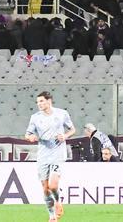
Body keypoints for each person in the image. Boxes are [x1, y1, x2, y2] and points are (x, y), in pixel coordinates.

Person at [24, 91, 75, 222]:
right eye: (37, 102)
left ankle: (58, 201)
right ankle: (52, 216)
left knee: (53, 185)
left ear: (49, 101)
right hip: (43, 155)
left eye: (41, 101)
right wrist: (31, 137)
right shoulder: (35, 117)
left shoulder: (62, 114)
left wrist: (65, 136)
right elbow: (27, 134)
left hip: (58, 153)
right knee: (45, 188)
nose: (39, 104)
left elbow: (72, 129)